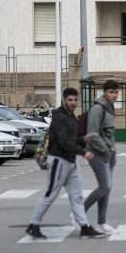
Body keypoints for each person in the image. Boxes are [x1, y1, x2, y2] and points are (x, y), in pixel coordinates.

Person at [26, 87, 105, 240]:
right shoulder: (59, 117)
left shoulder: (71, 118)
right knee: (50, 194)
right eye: (70, 100)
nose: (73, 103)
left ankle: (84, 227)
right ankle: (33, 225)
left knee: (76, 196)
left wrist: (84, 139)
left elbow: (72, 141)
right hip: (58, 161)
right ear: (64, 100)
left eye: (75, 100)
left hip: (70, 162)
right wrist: (84, 152)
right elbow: (64, 142)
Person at [84, 80, 118, 234]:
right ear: (104, 92)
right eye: (111, 92)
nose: (114, 95)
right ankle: (79, 213)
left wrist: (111, 151)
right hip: (97, 153)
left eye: (116, 92)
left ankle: (102, 222)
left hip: (109, 153)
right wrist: (105, 150)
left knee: (106, 189)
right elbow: (92, 133)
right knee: (105, 186)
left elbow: (108, 133)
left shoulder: (110, 108)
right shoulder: (98, 108)